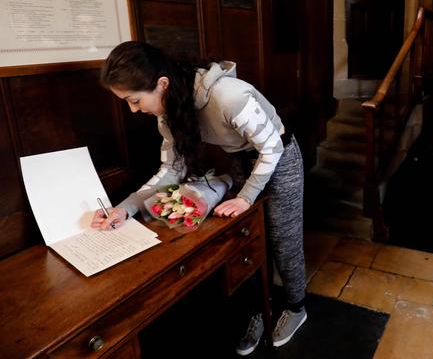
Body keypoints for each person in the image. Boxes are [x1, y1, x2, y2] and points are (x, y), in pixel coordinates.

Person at [91, 41, 307, 355]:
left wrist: (246, 197)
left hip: (281, 157)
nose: (133, 110)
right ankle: (263, 308)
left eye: (134, 100)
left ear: (161, 83)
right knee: (252, 241)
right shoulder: (169, 110)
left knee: (282, 238)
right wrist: (126, 208)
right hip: (243, 159)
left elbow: (271, 148)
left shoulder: (229, 96)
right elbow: (171, 169)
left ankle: (296, 307)